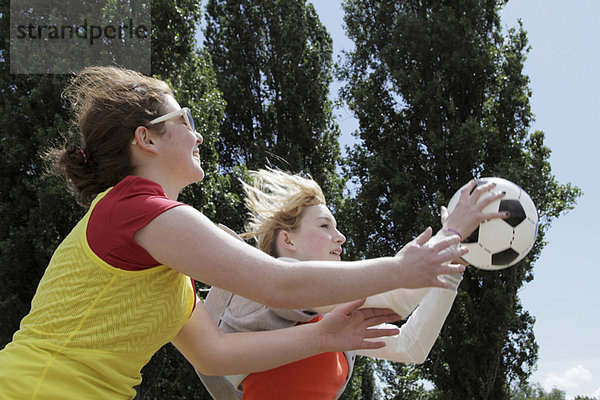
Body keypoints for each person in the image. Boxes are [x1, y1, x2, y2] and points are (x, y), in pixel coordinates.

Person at [0, 66, 501, 400]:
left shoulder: (168, 269)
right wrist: (404, 266)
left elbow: (214, 354)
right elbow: (277, 284)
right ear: (146, 138)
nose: (197, 134)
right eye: (185, 119)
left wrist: (323, 336)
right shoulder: (137, 209)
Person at [199, 169, 497, 400]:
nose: (340, 237)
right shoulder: (264, 285)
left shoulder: (336, 317)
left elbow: (411, 347)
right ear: (287, 239)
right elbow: (399, 299)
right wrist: (451, 234)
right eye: (324, 226)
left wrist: (451, 272)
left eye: (337, 228)